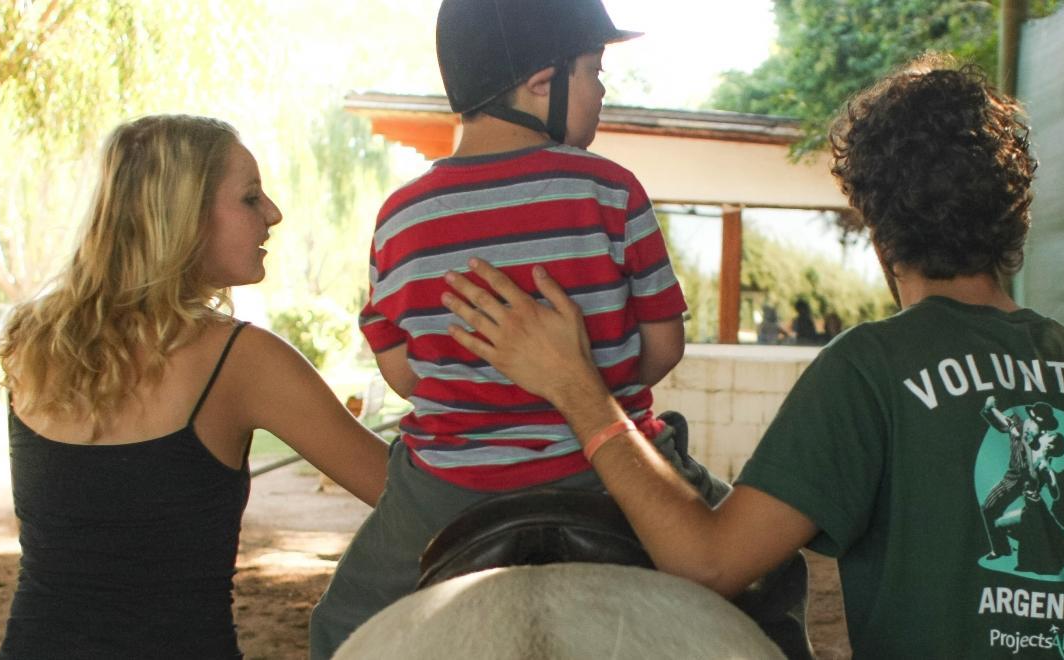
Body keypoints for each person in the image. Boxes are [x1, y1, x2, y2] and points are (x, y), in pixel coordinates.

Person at [438, 55, 1064, 658]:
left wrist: (577, 389)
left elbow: (711, 564)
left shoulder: (871, 372)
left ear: (877, 226)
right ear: (1013, 216)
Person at [309, 1, 811, 657]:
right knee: (774, 574)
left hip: (447, 490)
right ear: (542, 81)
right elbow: (663, 348)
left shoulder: (401, 218)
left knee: (336, 627)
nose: (603, 92)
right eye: (595, 71)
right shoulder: (611, 191)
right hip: (611, 473)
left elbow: (404, 374)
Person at [0, 114, 391, 659]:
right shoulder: (242, 361)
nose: (273, 214)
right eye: (251, 198)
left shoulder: (32, 346)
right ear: (183, 217)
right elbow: (407, 498)